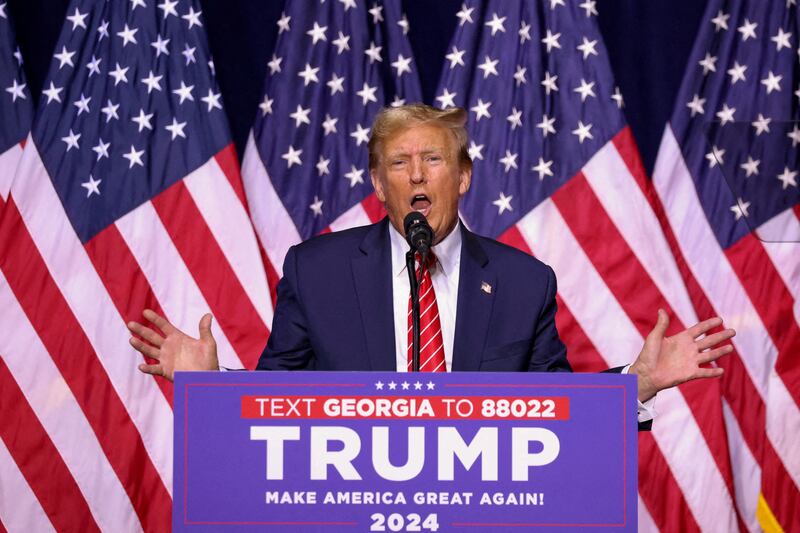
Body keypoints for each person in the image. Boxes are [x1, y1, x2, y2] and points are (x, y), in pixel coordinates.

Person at [127, 104, 735, 410]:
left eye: (434, 160)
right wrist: (210, 389)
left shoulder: (524, 283)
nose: (416, 174)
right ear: (378, 182)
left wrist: (639, 383)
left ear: (464, 176)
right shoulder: (317, 273)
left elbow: (557, 414)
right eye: (399, 163)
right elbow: (276, 405)